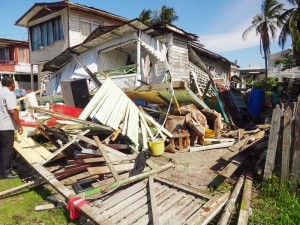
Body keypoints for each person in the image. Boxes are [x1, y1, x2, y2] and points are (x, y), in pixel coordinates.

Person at [0, 77, 23, 179]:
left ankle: (2, 169)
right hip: (6, 126)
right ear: (12, 84)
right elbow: (13, 111)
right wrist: (20, 125)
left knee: (1, 149)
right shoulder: (9, 94)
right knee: (7, 150)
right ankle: (6, 172)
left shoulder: (0, 93)